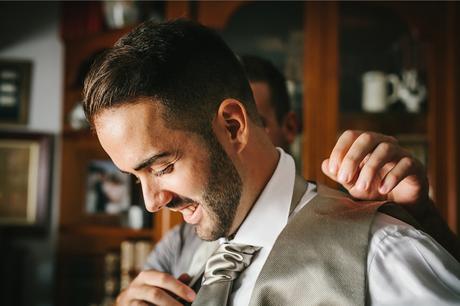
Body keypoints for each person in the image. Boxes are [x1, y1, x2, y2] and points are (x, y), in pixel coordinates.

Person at [83, 20, 459, 305]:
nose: (151, 202)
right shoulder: (189, 254)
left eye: (162, 167)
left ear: (233, 127)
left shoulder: (382, 253)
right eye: (135, 177)